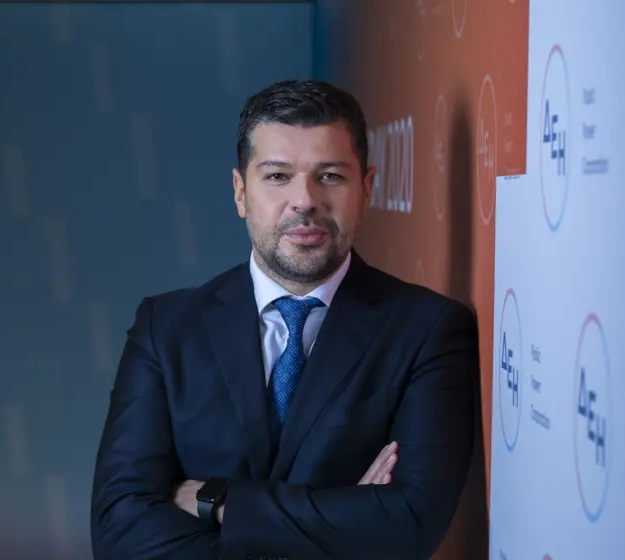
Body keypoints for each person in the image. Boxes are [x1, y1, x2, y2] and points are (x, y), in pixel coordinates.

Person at [90, 79, 479, 560]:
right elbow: (118, 532)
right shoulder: (165, 329)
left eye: (330, 176)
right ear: (240, 193)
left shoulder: (428, 332)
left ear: (367, 189)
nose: (305, 200)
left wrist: (218, 502)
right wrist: (345, 523)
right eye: (277, 176)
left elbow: (409, 525)